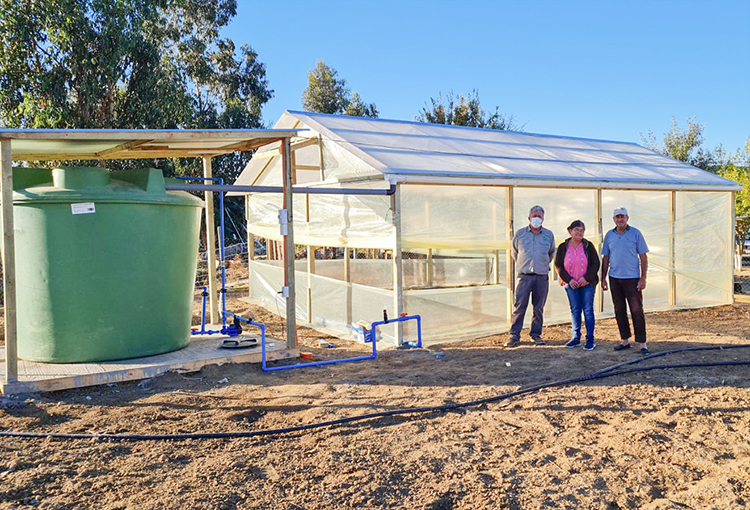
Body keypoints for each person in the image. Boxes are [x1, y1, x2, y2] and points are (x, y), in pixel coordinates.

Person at [601, 207, 650, 355]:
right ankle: (625, 340)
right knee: (619, 309)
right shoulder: (610, 235)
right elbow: (606, 257)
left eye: (622, 217)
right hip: (615, 278)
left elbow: (643, 257)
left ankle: (642, 343)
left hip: (632, 278)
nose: (620, 219)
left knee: (636, 309)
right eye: (617, 217)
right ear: (614, 219)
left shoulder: (635, 233)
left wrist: (643, 278)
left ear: (627, 218)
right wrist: (603, 278)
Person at [506, 205, 556, 347]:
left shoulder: (549, 235)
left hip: (541, 276)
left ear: (543, 219)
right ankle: (514, 335)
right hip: (524, 276)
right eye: (534, 216)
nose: (536, 218)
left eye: (539, 216)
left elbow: (551, 253)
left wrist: (541, 265)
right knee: (519, 305)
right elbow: (514, 252)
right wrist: (524, 265)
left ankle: (536, 334)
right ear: (529, 218)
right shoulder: (520, 234)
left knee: (538, 307)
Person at [554, 220, 600, 350]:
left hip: (587, 283)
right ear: (570, 231)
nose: (579, 233)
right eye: (576, 230)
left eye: (582, 230)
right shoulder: (563, 247)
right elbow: (558, 265)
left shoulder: (588, 245)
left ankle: (590, 339)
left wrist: (586, 278)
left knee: (588, 310)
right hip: (571, 284)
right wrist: (569, 280)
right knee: (575, 309)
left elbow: (595, 264)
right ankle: (575, 337)